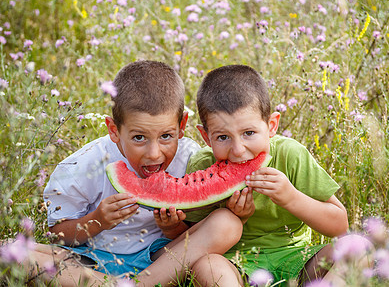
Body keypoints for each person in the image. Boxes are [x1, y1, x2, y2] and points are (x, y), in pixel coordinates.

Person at [21, 60, 243, 286]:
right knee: (10, 254)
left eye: (166, 136)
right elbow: (58, 232)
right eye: (139, 138)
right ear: (114, 130)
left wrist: (172, 227)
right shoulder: (82, 165)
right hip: (91, 260)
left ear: (182, 125)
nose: (154, 154)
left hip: (162, 259)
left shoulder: (191, 158)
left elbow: (191, 231)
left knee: (227, 223)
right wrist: (97, 220)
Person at [183, 64, 356, 286]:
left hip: (299, 263)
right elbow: (190, 240)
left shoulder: (290, 155)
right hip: (235, 265)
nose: (238, 150)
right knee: (206, 267)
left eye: (249, 133)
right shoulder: (202, 167)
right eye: (223, 137)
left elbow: (340, 225)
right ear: (206, 137)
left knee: (357, 249)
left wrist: (291, 198)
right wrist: (230, 215)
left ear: (272, 125)